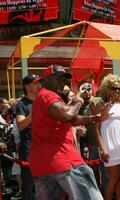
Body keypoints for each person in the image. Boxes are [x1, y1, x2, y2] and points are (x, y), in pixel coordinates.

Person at [29, 64, 104, 200]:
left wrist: (93, 118)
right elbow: (68, 115)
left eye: (64, 80)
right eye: (58, 79)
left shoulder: (42, 98)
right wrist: (78, 99)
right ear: (46, 80)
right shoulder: (47, 95)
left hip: (43, 164)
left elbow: (68, 119)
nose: (63, 83)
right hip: (64, 160)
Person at [94, 73, 120, 200]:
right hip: (109, 147)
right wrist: (102, 149)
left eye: (118, 88)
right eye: (113, 88)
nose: (117, 91)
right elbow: (95, 129)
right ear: (107, 88)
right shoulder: (100, 105)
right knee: (114, 178)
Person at [15, 74, 41, 200]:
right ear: (27, 86)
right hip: (28, 149)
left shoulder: (42, 100)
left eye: (38, 83)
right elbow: (20, 125)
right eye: (35, 83)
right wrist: (34, 111)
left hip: (43, 148)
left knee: (43, 183)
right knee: (29, 184)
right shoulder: (21, 104)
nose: (38, 85)